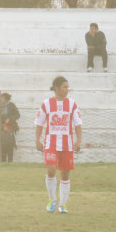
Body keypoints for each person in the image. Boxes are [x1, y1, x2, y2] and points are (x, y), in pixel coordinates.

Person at [35, 76, 82, 214]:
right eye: (65, 87)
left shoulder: (72, 104)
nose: (67, 89)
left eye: (68, 87)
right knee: (51, 169)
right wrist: (37, 140)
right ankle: (51, 199)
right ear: (56, 88)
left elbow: (78, 124)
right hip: (51, 143)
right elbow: (39, 123)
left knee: (65, 174)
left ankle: (63, 204)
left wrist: (78, 141)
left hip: (67, 144)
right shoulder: (46, 104)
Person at [0, 92, 20, 163]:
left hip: (10, 127)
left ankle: (10, 161)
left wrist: (10, 119)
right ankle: (3, 162)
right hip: (0, 128)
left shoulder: (11, 105)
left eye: (1, 98)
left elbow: (17, 115)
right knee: (2, 144)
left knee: (9, 144)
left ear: (6, 99)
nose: (0, 99)